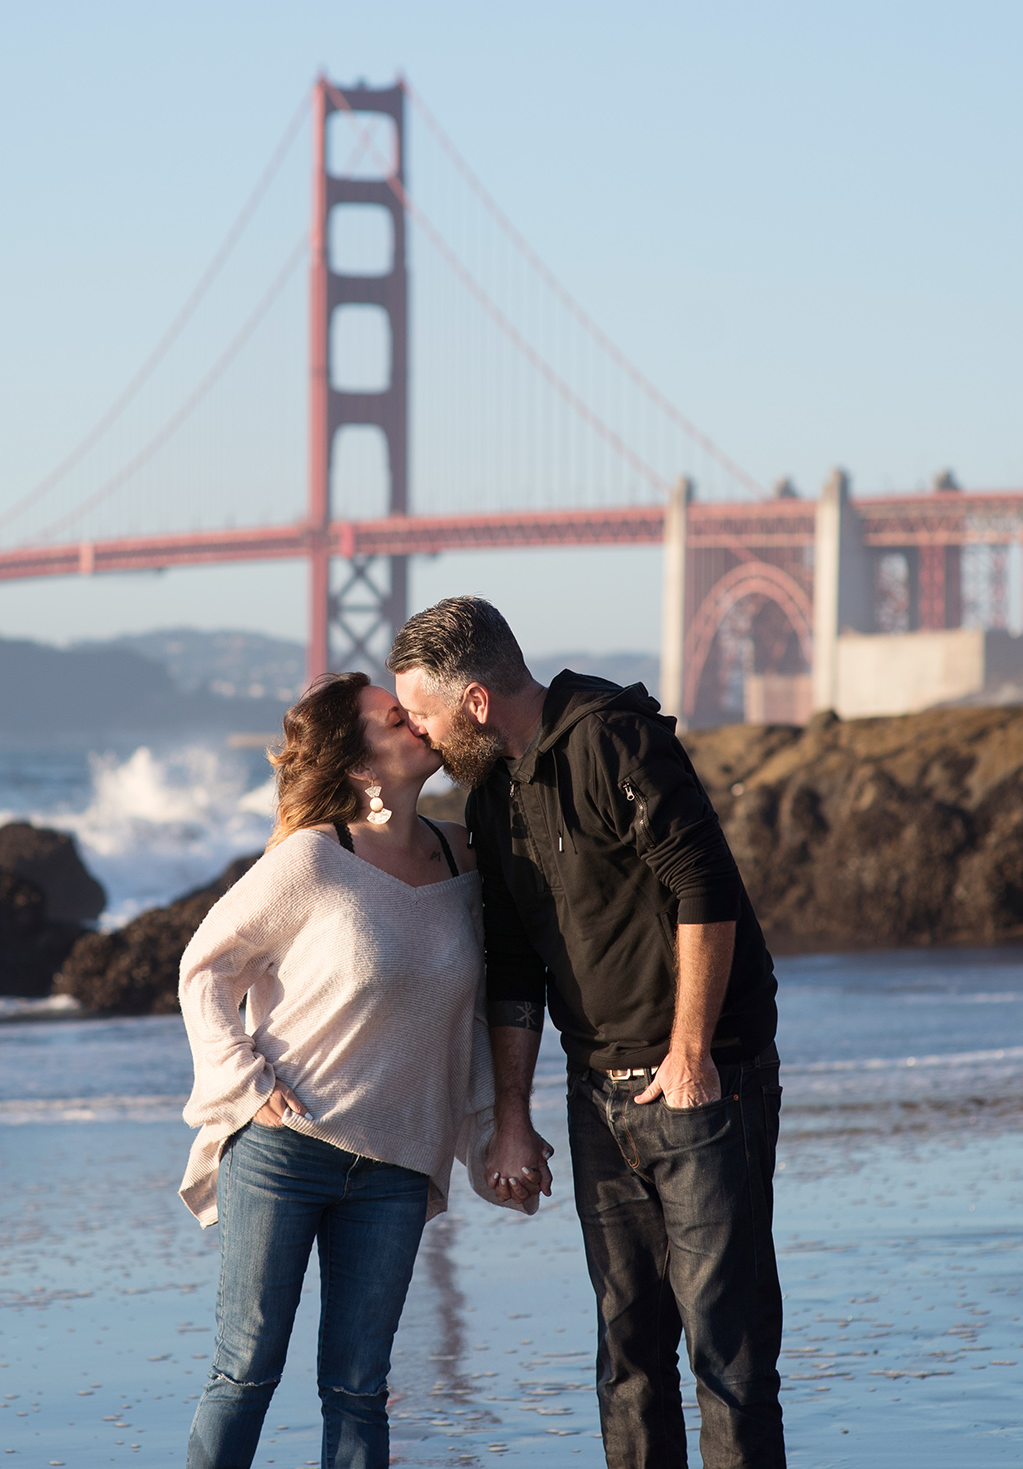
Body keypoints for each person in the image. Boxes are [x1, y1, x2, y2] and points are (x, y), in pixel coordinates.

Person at [389, 596, 787, 1469]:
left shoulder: (613, 735)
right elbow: (515, 966)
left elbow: (704, 885)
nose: (416, 733)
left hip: (704, 1080)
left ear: (477, 701)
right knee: (627, 1356)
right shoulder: (493, 794)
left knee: (729, 1352)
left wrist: (690, 1054)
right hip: (595, 1092)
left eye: (422, 712)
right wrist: (509, 1116)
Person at [177, 670, 535, 1469]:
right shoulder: (313, 859)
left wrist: (494, 1130)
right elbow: (204, 968)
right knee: (246, 1370)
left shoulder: (460, 857)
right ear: (360, 766)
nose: (414, 719)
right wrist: (246, 1084)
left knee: (359, 1387)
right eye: (391, 717)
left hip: (398, 1165)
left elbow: (467, 1022)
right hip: (285, 1148)